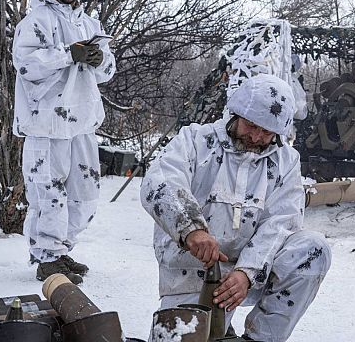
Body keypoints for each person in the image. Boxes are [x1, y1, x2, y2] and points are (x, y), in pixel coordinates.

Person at [141, 74, 331, 341]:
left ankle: (259, 338)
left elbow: (281, 221)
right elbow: (161, 182)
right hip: (191, 271)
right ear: (236, 114)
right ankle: (214, 323)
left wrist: (247, 273)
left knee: (312, 249)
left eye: (267, 132)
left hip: (249, 272)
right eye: (251, 125)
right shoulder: (195, 140)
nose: (256, 136)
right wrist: (192, 230)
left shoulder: (285, 161)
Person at [12, 0, 116, 284]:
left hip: (83, 120)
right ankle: (47, 257)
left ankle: (61, 249)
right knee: (47, 192)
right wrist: (68, 53)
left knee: (85, 194)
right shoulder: (37, 20)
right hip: (46, 121)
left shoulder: (90, 23)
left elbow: (107, 72)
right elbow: (26, 65)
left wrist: (98, 59)